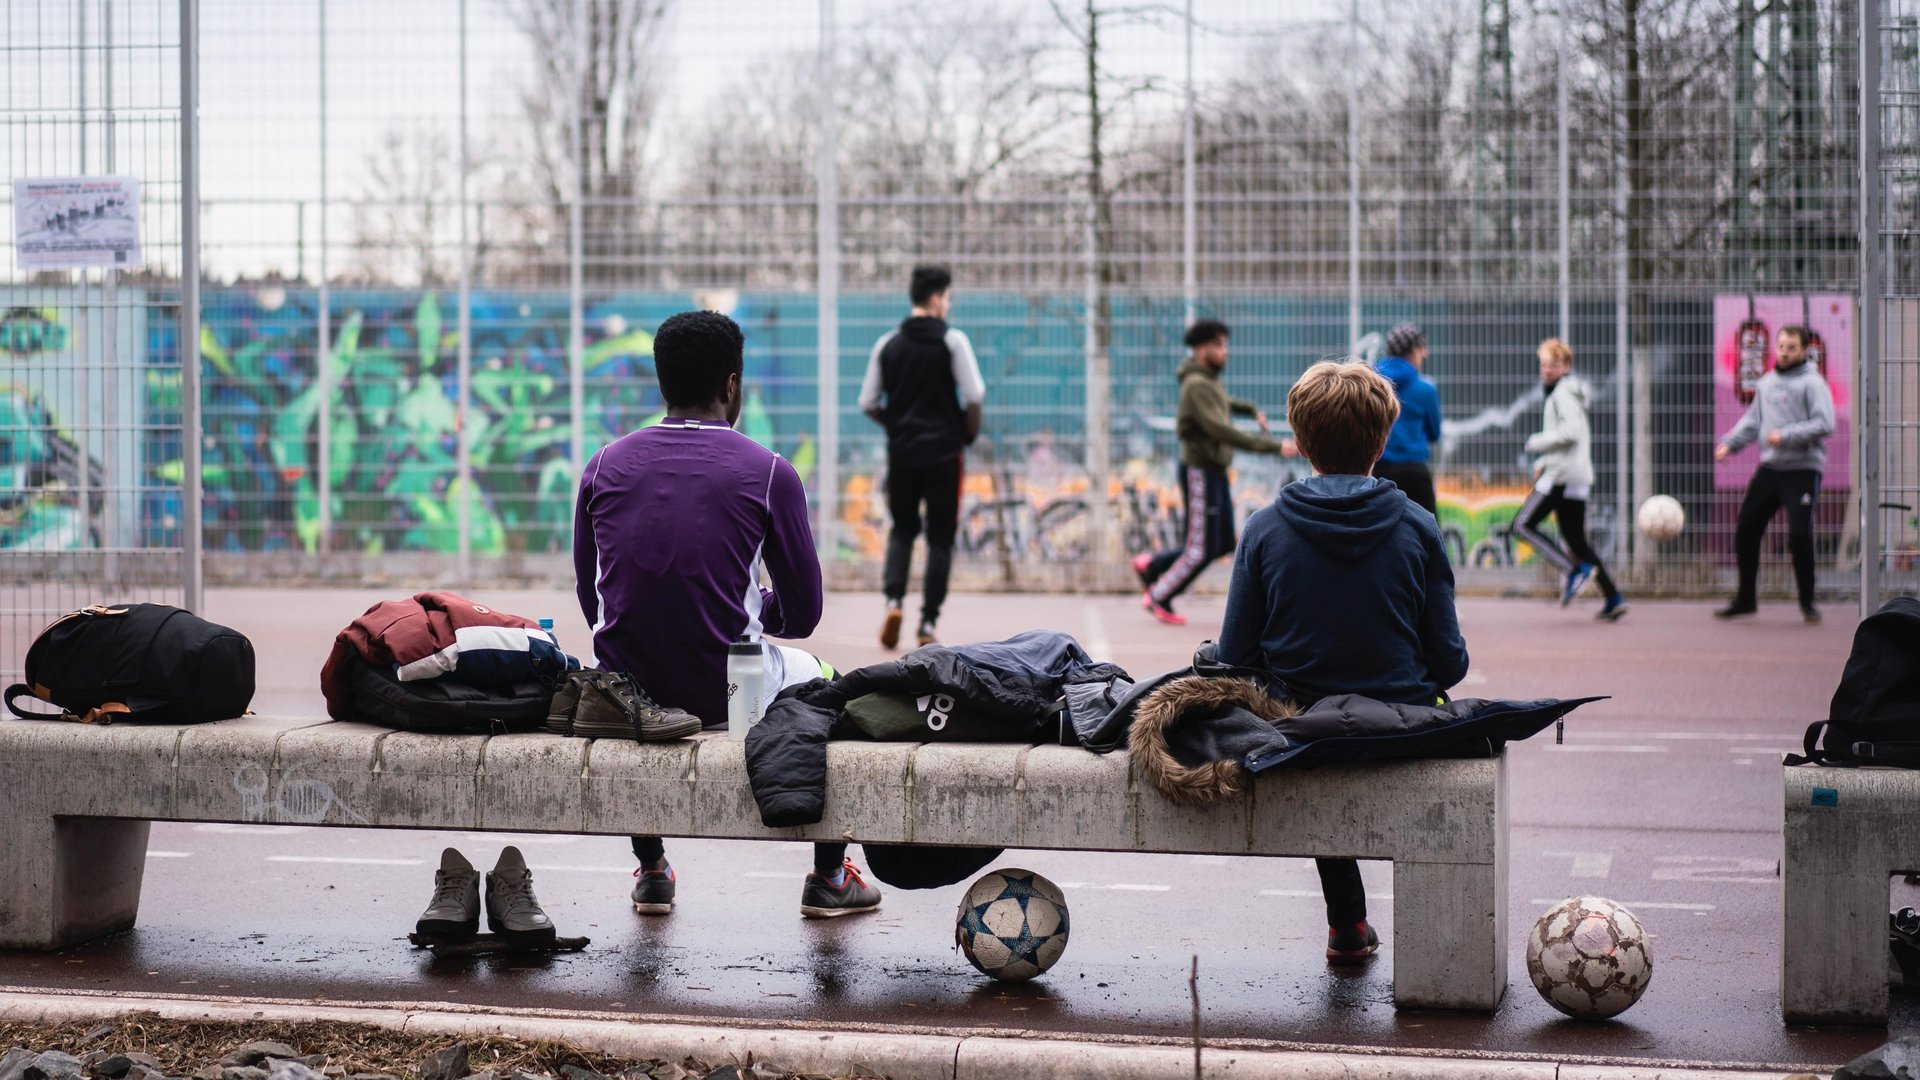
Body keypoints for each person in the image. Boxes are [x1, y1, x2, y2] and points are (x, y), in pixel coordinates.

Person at [573, 310, 882, 919]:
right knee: (824, 680)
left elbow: (595, 599)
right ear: (732, 385)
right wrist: (752, 607)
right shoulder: (769, 473)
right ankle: (829, 876)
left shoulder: (603, 467)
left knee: (628, 656)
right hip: (727, 697)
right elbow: (805, 612)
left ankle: (654, 869)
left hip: (630, 694)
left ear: (662, 384)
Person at [1216, 359, 1469, 962]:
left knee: (1314, 718)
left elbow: (1235, 656)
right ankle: (1432, 949)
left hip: (1302, 727)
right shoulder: (1418, 525)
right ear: (1384, 442)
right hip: (1402, 720)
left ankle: (1347, 924)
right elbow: (1451, 661)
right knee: (1359, 713)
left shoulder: (1263, 528)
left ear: (1299, 443)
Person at [1132, 318, 1293, 627]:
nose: (1225, 352)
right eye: (1219, 346)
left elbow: (1223, 403)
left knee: (1220, 544)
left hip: (1214, 471)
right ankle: (1159, 593)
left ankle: (1152, 565)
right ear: (1201, 349)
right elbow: (1220, 430)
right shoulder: (1196, 385)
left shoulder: (1208, 381)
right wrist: (1272, 447)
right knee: (1201, 546)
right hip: (1200, 471)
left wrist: (1247, 409)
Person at [860, 266, 986, 650]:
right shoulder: (952, 341)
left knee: (902, 529)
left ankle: (894, 600)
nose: (948, 305)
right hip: (945, 454)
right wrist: (967, 432)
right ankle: (928, 622)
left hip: (903, 454)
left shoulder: (888, 344)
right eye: (947, 298)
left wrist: (895, 425)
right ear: (935, 299)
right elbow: (975, 395)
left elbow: (867, 402)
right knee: (941, 538)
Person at [1714, 325, 1835, 624]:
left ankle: (1807, 602)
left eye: (1791, 347)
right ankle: (1745, 599)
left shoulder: (1812, 383)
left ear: (1804, 351)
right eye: (1781, 346)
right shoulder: (1767, 383)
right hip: (1771, 469)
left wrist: (1787, 435)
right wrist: (1730, 443)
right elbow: (1753, 421)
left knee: (1798, 535)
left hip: (1803, 469)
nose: (1784, 352)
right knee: (1746, 529)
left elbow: (1825, 423)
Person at [1512, 338, 1628, 621]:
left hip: (1561, 477)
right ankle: (1613, 597)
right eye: (1544, 364)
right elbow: (1570, 440)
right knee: (1577, 540)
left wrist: (1535, 444)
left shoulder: (1562, 393)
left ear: (1566, 366)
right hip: (1575, 475)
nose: (1547, 370)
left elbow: (1571, 433)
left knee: (1522, 525)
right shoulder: (1569, 392)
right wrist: (1544, 460)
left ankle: (1574, 570)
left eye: (1554, 364)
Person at [1371, 323, 1443, 517]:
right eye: (1421, 349)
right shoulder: (1426, 389)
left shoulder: (1372, 384)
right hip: (1415, 473)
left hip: (1378, 471)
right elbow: (1435, 434)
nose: (1425, 354)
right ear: (1411, 352)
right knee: (1426, 536)